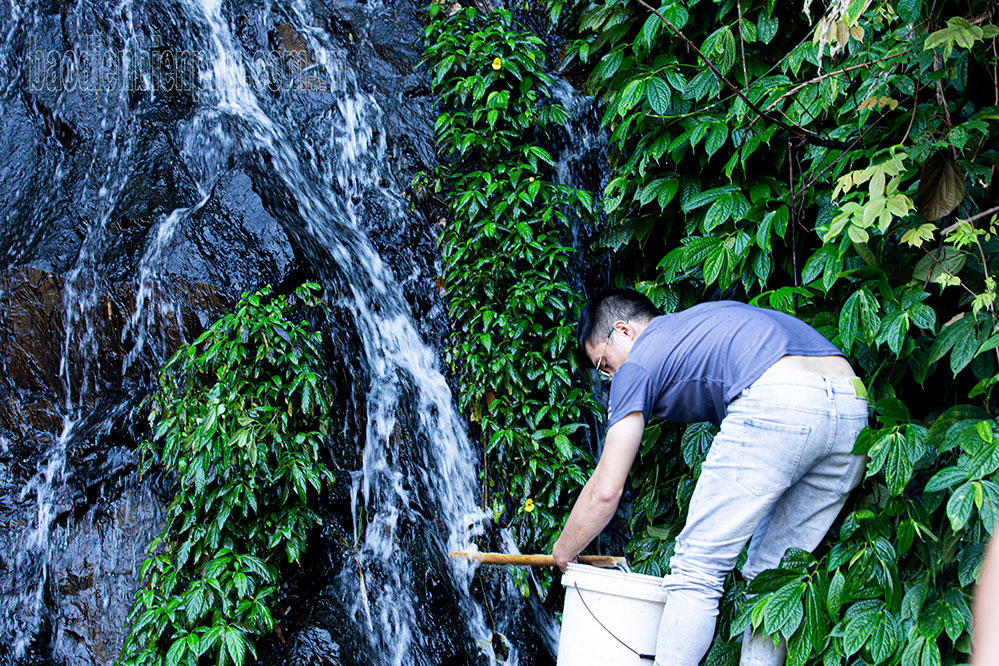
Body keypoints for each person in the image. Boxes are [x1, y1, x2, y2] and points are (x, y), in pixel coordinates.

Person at [552, 289, 869, 666]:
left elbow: (606, 490)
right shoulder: (700, 322)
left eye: (604, 365)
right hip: (853, 409)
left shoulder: (638, 363)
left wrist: (565, 549)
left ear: (623, 331)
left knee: (696, 571)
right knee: (774, 578)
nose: (610, 379)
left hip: (777, 397)